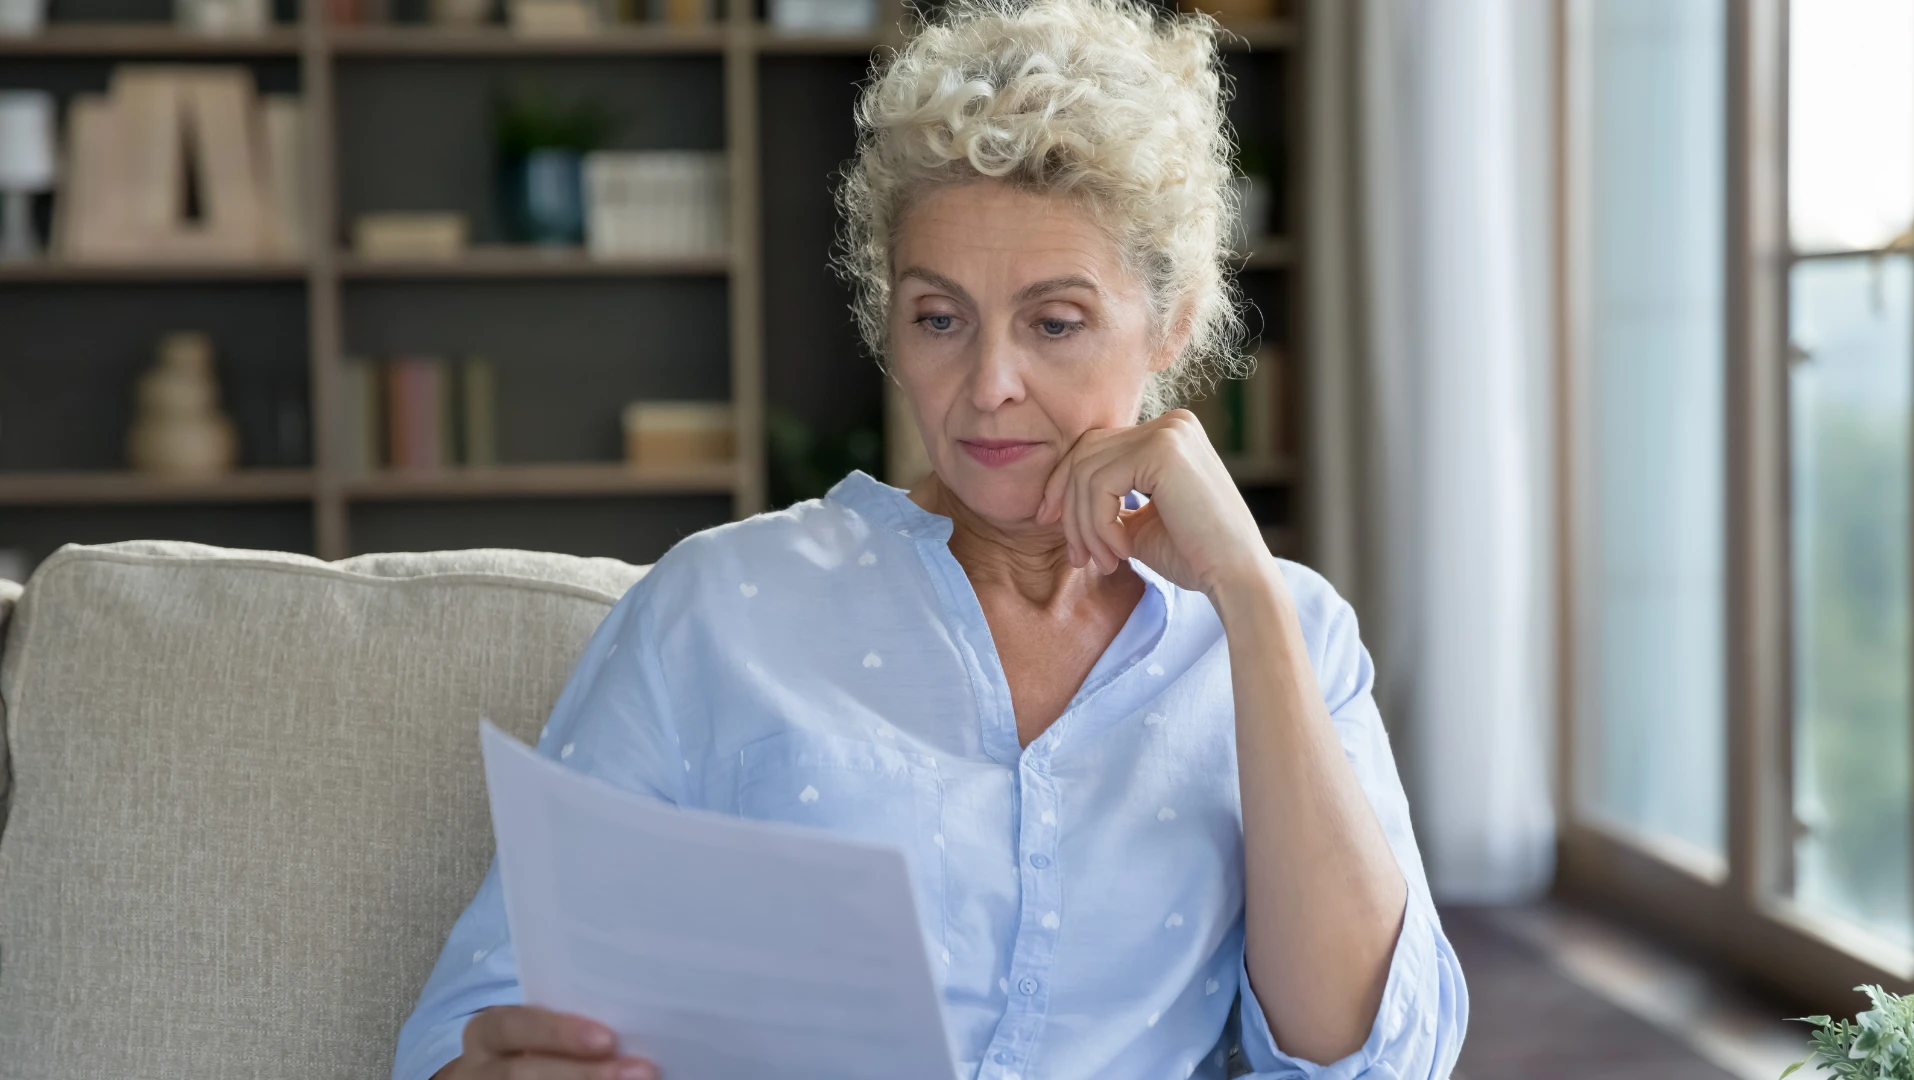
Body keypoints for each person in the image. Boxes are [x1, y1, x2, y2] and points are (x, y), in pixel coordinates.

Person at [394, 0, 1467, 1076]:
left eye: (1054, 322)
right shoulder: (719, 608)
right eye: (940, 318)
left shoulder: (1290, 637)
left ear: (1173, 321)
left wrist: (1246, 592)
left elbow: (1366, 1057)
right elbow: (478, 1014)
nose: (989, 387)